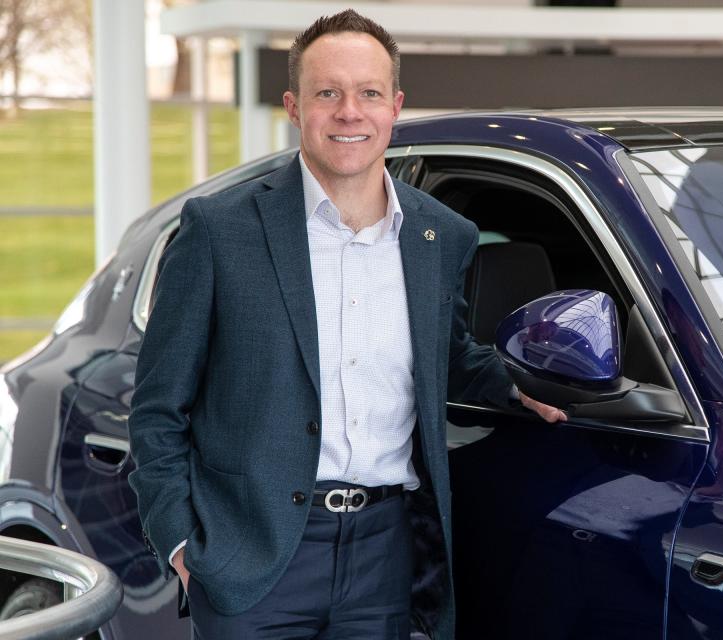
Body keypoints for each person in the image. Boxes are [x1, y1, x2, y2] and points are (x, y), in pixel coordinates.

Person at [128, 9, 563, 640]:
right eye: (327, 93)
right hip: (252, 556)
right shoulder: (220, 232)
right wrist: (184, 548)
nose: (349, 112)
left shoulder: (442, 236)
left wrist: (523, 382)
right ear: (294, 107)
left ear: (395, 106)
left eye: (368, 93)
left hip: (383, 557)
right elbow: (157, 410)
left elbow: (444, 356)